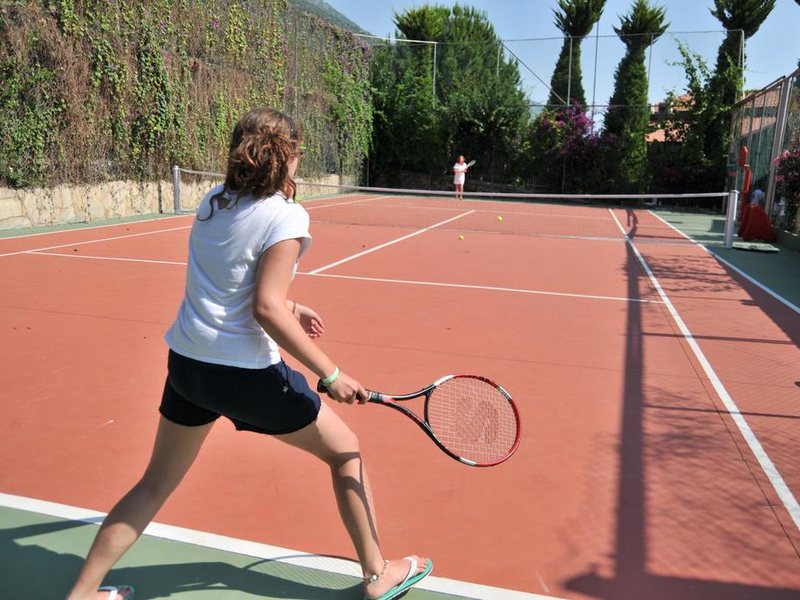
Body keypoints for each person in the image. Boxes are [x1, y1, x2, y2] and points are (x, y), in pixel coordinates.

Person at [65, 107, 432, 600]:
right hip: (247, 376)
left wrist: (293, 305)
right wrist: (331, 374)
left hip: (189, 368)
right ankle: (378, 572)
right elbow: (263, 308)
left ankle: (82, 594)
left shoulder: (213, 202)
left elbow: (230, 280)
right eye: (298, 154)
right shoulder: (286, 215)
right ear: (286, 157)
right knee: (346, 452)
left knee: (152, 484)